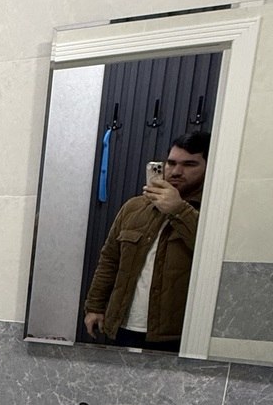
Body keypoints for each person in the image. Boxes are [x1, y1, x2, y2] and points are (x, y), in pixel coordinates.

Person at [83, 131, 210, 351]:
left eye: (189, 164)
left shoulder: (212, 214)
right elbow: (109, 260)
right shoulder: (134, 208)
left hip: (175, 335)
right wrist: (94, 306)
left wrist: (179, 210)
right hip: (123, 326)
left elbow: (212, 255)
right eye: (171, 163)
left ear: (209, 166)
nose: (176, 171)